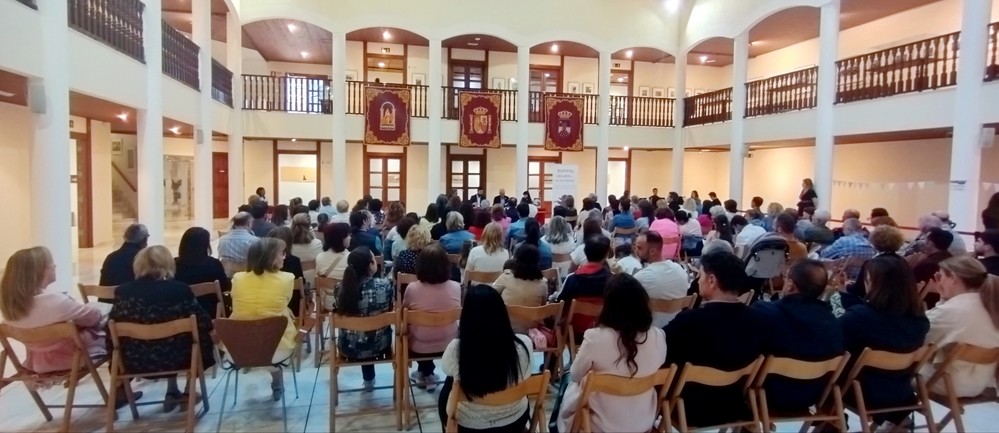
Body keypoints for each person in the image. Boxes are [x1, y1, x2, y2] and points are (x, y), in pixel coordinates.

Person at [664, 251, 767, 427]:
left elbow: (662, 354)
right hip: (734, 406)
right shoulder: (758, 319)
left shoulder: (689, 321)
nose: (698, 281)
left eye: (700, 275)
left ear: (711, 280)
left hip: (689, 408)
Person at [107, 246, 215, 410]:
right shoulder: (179, 290)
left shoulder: (123, 292)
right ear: (167, 265)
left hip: (134, 361)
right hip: (178, 358)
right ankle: (188, 390)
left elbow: (110, 327)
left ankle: (129, 388)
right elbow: (204, 322)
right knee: (198, 337)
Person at [556, 274, 668, 433]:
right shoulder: (658, 336)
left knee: (569, 378)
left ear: (608, 305)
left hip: (600, 424)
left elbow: (575, 375)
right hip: (643, 421)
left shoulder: (595, 337)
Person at [839, 255, 929, 431]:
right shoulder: (920, 321)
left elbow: (833, 345)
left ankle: (832, 423)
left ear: (873, 283)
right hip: (901, 392)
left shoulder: (859, 318)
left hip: (860, 392)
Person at [437, 285, 534, 432]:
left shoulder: (457, 349)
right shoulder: (524, 344)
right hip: (515, 421)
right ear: (502, 313)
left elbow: (445, 368)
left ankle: (447, 427)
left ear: (467, 316)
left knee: (451, 381)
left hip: (469, 426)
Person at [752, 259, 844, 413]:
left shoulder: (765, 312)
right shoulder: (833, 322)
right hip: (813, 396)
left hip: (765, 395)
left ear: (790, 284)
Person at [1, 247, 107, 373]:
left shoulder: (10, 309)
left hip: (38, 363)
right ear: (40, 271)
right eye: (51, 263)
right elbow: (94, 318)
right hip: (74, 359)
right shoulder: (55, 302)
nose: (55, 265)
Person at [921, 255, 999, 397]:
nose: (940, 281)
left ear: (953, 278)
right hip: (980, 384)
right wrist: (944, 299)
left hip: (945, 382)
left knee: (890, 370)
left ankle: (895, 418)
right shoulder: (992, 305)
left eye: (942, 276)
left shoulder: (953, 310)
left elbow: (918, 335)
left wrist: (942, 304)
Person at [230, 238, 297, 400]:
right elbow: (283, 302)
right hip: (276, 349)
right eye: (281, 253)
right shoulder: (287, 278)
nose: (284, 257)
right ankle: (277, 379)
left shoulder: (238, 279)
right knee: (283, 317)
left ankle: (275, 379)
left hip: (238, 349)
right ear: (271, 257)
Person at [333, 247, 394, 392]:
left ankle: (368, 380)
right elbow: (389, 307)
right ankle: (369, 380)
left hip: (349, 347)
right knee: (369, 331)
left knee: (360, 332)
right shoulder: (385, 286)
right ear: (370, 265)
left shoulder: (340, 290)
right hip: (380, 346)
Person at [404, 244, 461, 392]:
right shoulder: (456, 287)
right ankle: (427, 373)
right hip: (449, 344)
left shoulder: (412, 288)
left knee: (414, 331)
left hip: (418, 347)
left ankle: (425, 372)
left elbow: (404, 314)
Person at [558, 236, 613, 341]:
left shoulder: (572, 279)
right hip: (603, 330)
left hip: (574, 332)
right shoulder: (613, 280)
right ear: (606, 255)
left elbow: (561, 303)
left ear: (585, 252)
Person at [633, 232, 689, 327]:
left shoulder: (642, 277)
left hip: (651, 332)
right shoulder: (681, 270)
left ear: (652, 251)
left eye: (639, 248)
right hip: (679, 329)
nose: (635, 251)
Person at [174, 227, 231, 318]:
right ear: (206, 245)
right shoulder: (214, 264)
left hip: (183, 313)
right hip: (211, 312)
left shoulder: (173, 265)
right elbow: (224, 287)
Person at [492, 245, 548, 333]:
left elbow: (490, 296)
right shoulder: (543, 284)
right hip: (531, 330)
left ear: (516, 260)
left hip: (505, 329)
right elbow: (542, 305)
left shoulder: (506, 277)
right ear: (537, 261)